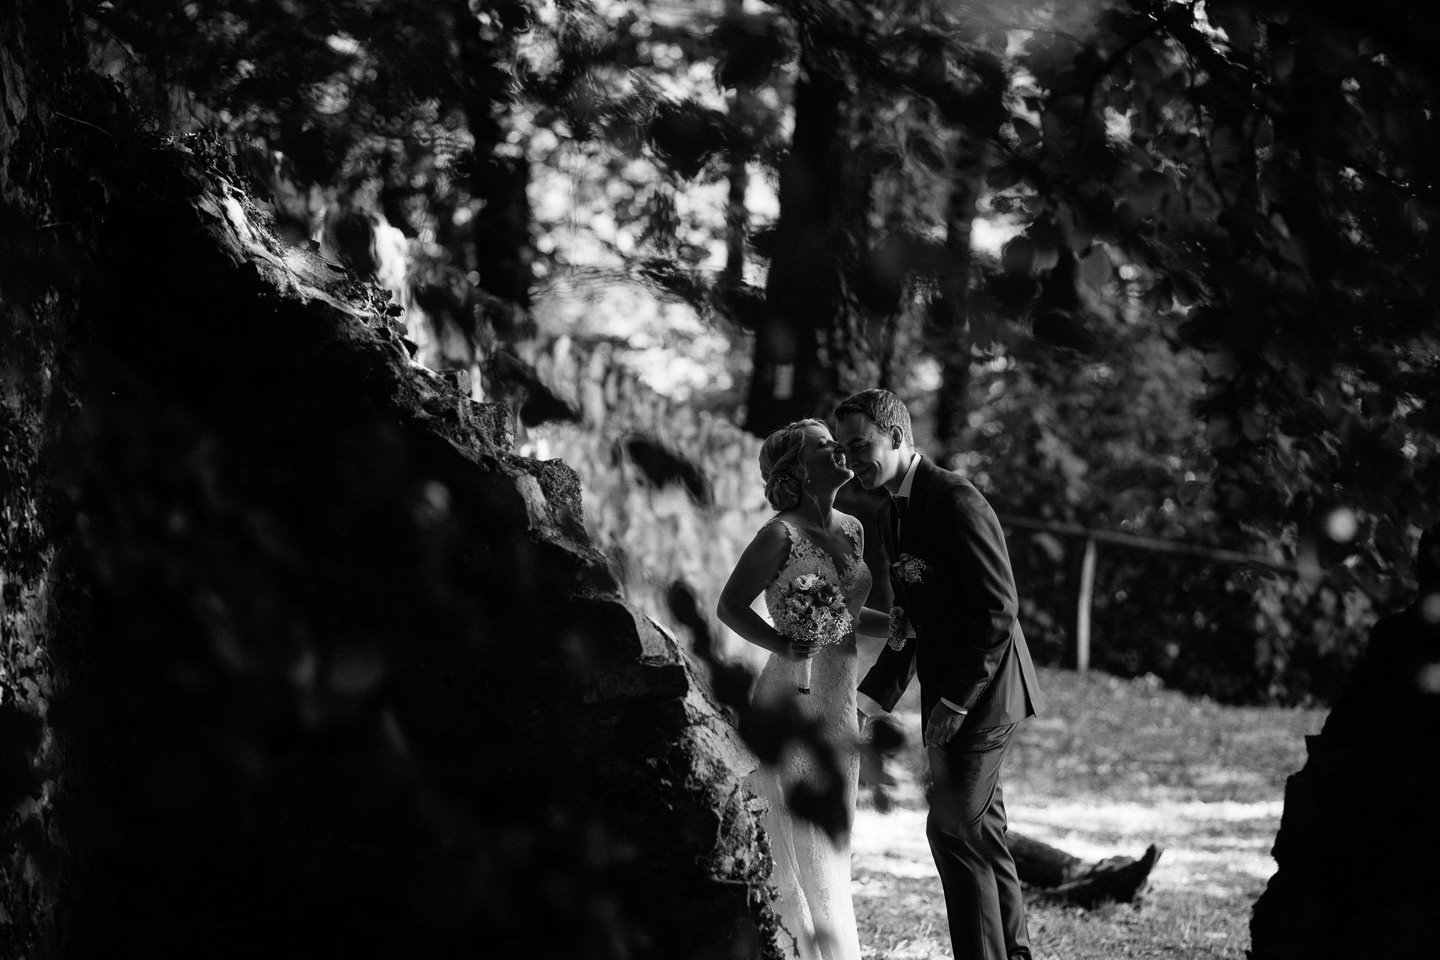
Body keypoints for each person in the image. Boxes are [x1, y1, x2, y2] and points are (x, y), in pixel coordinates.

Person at [834, 388, 1041, 960]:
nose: (853, 462)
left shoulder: (955, 499)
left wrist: (953, 703)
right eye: (846, 452)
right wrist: (869, 701)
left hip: (984, 693)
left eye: (861, 446)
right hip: (949, 693)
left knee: (950, 832)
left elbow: (998, 609)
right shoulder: (890, 510)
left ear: (896, 435)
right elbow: (912, 623)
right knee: (981, 832)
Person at [717, 419, 870, 960]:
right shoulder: (778, 536)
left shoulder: (851, 528)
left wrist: (898, 622)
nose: (841, 448)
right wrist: (781, 644)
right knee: (797, 833)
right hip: (792, 696)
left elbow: (847, 618)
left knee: (834, 837)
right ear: (801, 472)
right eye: (826, 445)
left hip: (839, 697)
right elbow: (729, 606)